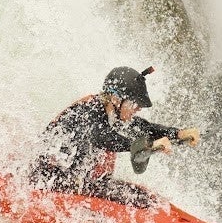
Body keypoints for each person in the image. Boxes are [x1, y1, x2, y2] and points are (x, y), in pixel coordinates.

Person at [29, 66, 201, 208]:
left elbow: (146, 128)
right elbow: (101, 137)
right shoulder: (88, 111)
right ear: (116, 99)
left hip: (78, 182)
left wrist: (178, 133)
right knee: (134, 199)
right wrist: (142, 145)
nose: (138, 108)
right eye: (135, 103)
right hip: (48, 181)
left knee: (146, 198)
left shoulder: (113, 115)